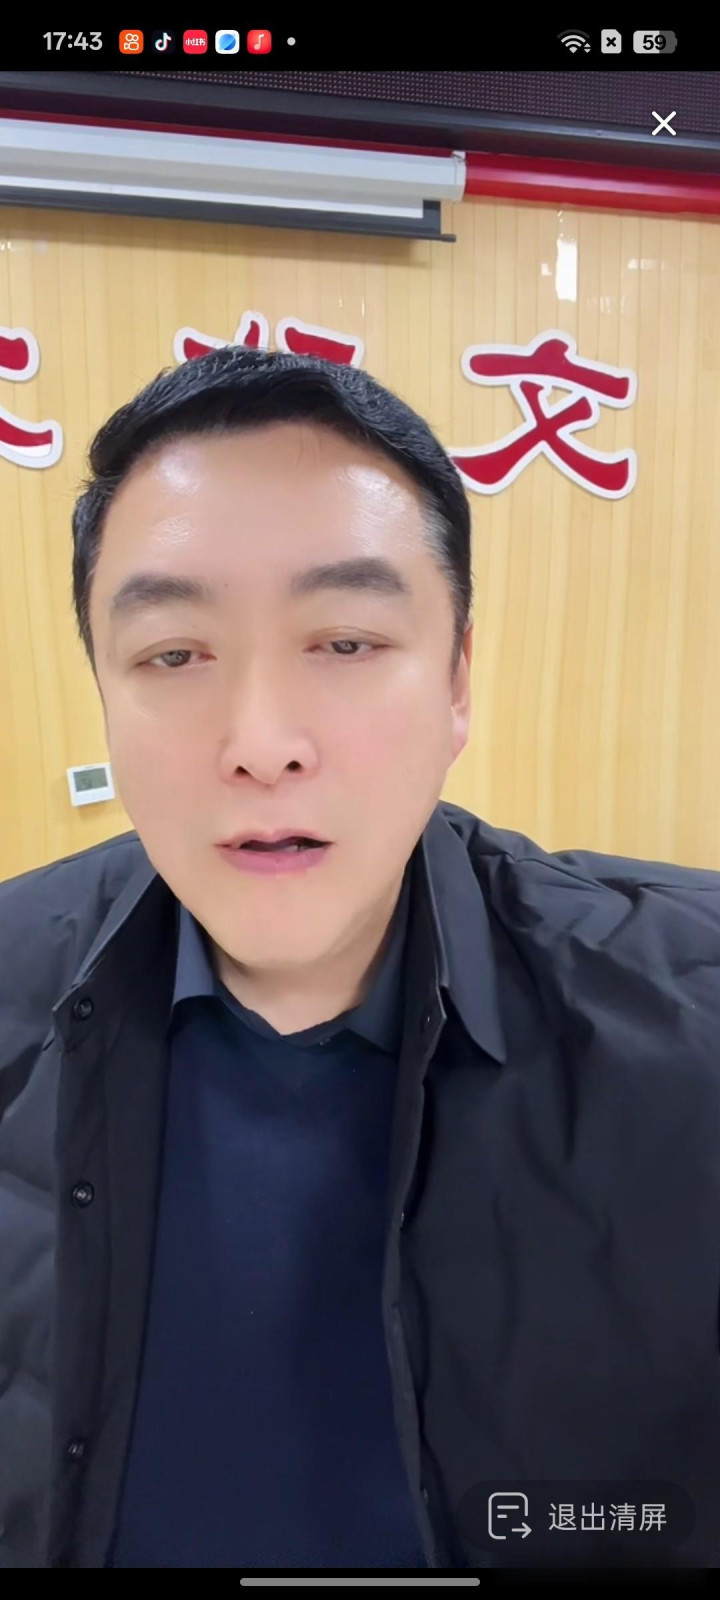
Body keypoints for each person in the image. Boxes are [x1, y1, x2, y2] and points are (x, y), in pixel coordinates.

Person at [2, 346, 720, 1574]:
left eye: (343, 642)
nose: (261, 743)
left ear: (457, 681)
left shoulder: (693, 1024)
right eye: (173, 654)